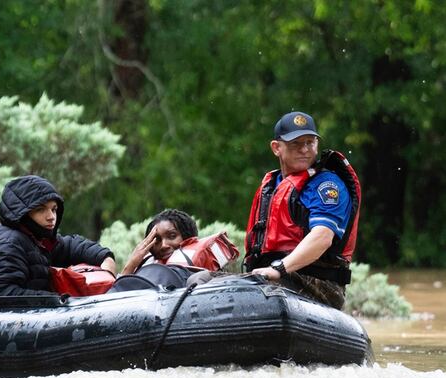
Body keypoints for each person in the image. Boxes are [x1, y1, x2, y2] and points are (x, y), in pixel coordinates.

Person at [244, 111, 361, 309]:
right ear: (276, 148)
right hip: (271, 276)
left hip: (318, 282)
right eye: (296, 143)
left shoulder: (328, 185)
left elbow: (322, 238)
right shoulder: (272, 186)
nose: (305, 149)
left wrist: (279, 269)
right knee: (203, 278)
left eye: (310, 142)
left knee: (260, 291)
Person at [0, 175, 116, 297]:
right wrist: (57, 299)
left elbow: (69, 246)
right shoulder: (9, 243)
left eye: (54, 209)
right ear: (22, 213)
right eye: (40, 209)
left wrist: (104, 257)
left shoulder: (36, 237)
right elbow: (2, 293)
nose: (51, 217)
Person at [113, 209, 239, 291]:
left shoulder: (203, 276)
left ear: (189, 238)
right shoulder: (144, 267)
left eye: (172, 236)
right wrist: (131, 265)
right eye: (157, 240)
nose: (163, 245)